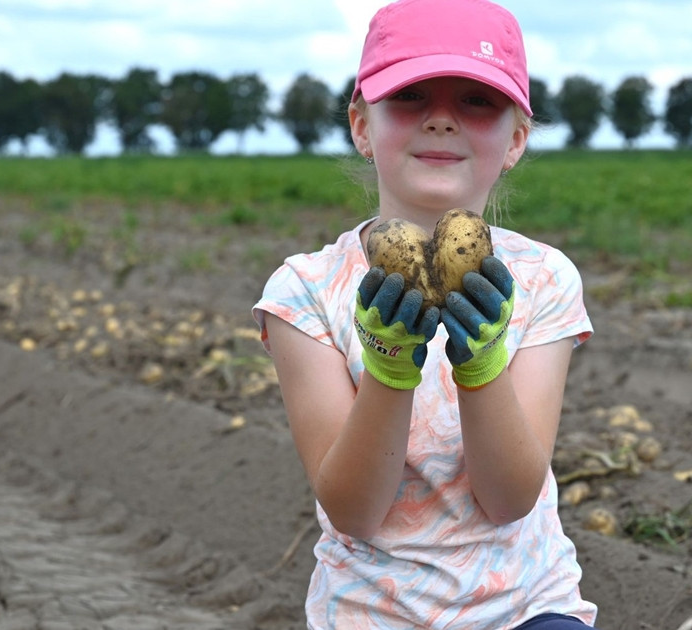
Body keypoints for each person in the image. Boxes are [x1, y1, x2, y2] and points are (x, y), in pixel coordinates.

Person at [252, 0, 599, 627]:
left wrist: (481, 364)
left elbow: (509, 497)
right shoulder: (305, 291)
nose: (441, 120)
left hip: (526, 607)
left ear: (516, 139)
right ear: (361, 125)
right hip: (369, 613)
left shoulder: (545, 279)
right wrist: (389, 368)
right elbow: (354, 511)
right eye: (411, 96)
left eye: (476, 101)